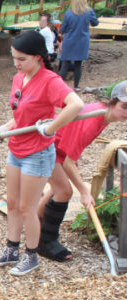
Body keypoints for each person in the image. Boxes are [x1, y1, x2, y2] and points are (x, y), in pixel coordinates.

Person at [0, 31, 84, 276]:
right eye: (14, 58)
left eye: (22, 59)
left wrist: (50, 128)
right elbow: (20, 116)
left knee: (27, 207)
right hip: (16, 149)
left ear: (38, 57)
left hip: (37, 153)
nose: (16, 64)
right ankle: (11, 249)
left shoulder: (50, 80)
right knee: (12, 203)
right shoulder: (20, 78)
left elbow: (76, 105)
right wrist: (4, 129)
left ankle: (31, 255)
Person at [37, 80, 127, 261]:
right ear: (112, 102)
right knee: (65, 191)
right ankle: (45, 242)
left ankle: (36, 225)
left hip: (57, 147)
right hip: (44, 146)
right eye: (125, 106)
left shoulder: (104, 114)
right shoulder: (93, 119)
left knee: (57, 188)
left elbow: (72, 154)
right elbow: (70, 163)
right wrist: (84, 192)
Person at [59, 0, 99, 92]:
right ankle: (76, 86)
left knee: (65, 64)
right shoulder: (89, 12)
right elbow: (95, 23)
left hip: (69, 41)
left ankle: (59, 86)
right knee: (78, 64)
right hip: (82, 42)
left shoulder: (68, 13)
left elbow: (63, 28)